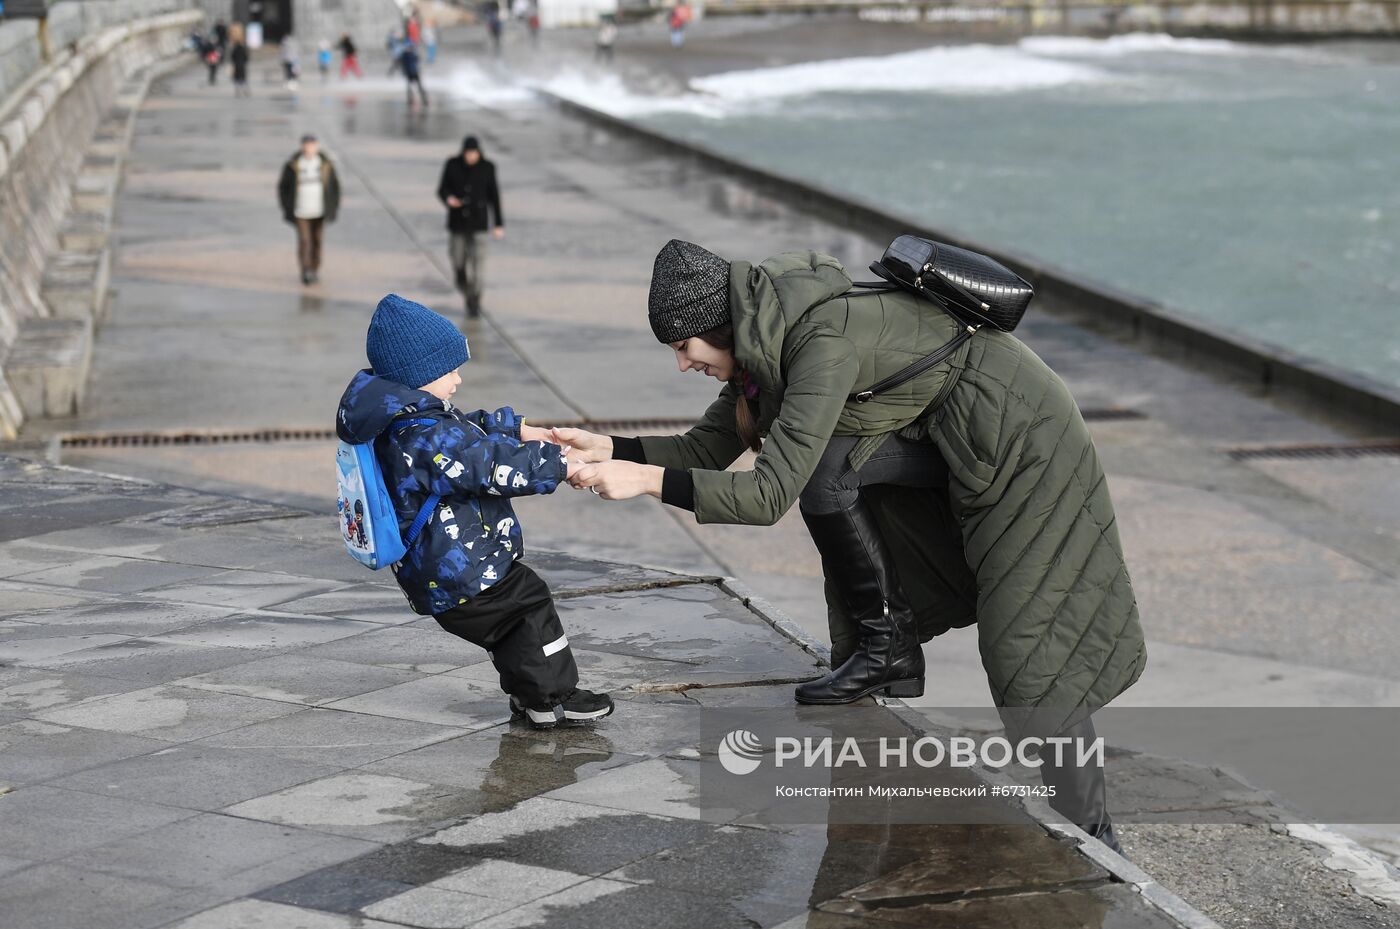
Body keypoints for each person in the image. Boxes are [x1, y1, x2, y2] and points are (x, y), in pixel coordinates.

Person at [558, 240, 1147, 852]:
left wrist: (645, 482)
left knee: (1032, 650)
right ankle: (889, 649)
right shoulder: (771, 342)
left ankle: (1095, 837)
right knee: (831, 468)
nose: (682, 364)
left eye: (684, 348)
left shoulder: (819, 343)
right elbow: (707, 448)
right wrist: (611, 449)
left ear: (721, 326)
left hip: (1026, 446)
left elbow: (767, 496)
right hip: (959, 443)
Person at [334, 294, 614, 729]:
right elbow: (485, 463)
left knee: (511, 625)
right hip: (457, 569)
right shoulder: (422, 438)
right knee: (527, 604)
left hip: (448, 565)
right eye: (450, 371)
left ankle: (531, 698)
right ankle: (553, 699)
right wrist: (560, 465)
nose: (459, 380)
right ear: (418, 377)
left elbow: (465, 429)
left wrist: (519, 428)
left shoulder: (406, 422)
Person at [437, 135, 503, 316]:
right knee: (458, 261)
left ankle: (474, 300)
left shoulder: (488, 168)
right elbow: (442, 189)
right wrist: (449, 199)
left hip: (479, 223)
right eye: (468, 153)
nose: (470, 156)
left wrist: (498, 224)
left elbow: (494, 197)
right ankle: (467, 290)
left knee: (479, 266)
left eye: (473, 153)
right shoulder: (452, 165)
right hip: (457, 224)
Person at [277, 134, 341, 285]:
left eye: (312, 145)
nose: (310, 148)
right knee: (305, 241)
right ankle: (305, 271)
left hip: (320, 210)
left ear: (317, 146)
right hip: (301, 211)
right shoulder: (293, 164)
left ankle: (314, 269)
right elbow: (283, 187)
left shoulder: (325, 164)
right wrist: (287, 207)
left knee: (317, 241)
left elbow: (335, 188)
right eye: (307, 144)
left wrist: (333, 208)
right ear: (302, 146)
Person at [400, 40, 428, 107]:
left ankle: (421, 98)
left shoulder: (407, 54)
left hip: (413, 72)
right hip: (411, 72)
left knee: (416, 85)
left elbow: (417, 61)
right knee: (413, 85)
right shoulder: (407, 55)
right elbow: (417, 60)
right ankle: (413, 98)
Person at [229, 24, 250, 96]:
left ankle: (237, 91)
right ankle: (246, 90)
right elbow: (246, 57)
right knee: (244, 79)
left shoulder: (234, 49)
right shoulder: (244, 49)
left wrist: (234, 63)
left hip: (236, 65)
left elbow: (232, 57)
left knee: (237, 79)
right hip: (242, 65)